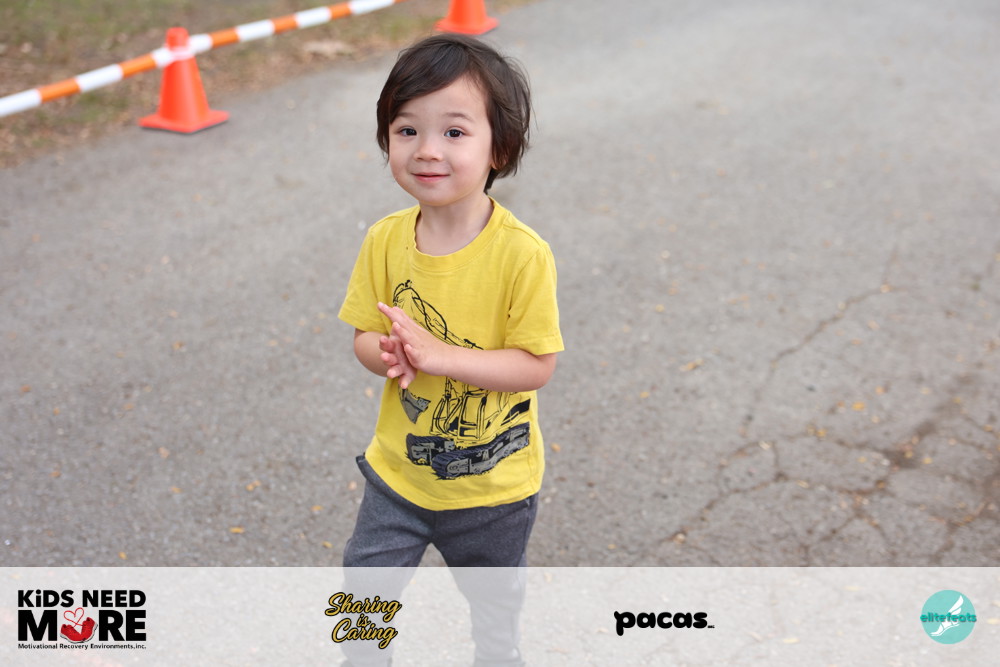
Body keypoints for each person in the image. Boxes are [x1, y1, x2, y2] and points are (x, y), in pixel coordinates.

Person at [337, 33, 563, 666]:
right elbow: (362, 336)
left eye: (455, 132)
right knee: (364, 587)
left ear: (500, 148)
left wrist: (439, 356)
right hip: (398, 475)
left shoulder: (522, 256)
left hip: (493, 487)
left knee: (493, 602)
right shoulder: (385, 241)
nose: (427, 150)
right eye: (407, 130)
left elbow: (536, 365)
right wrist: (386, 353)